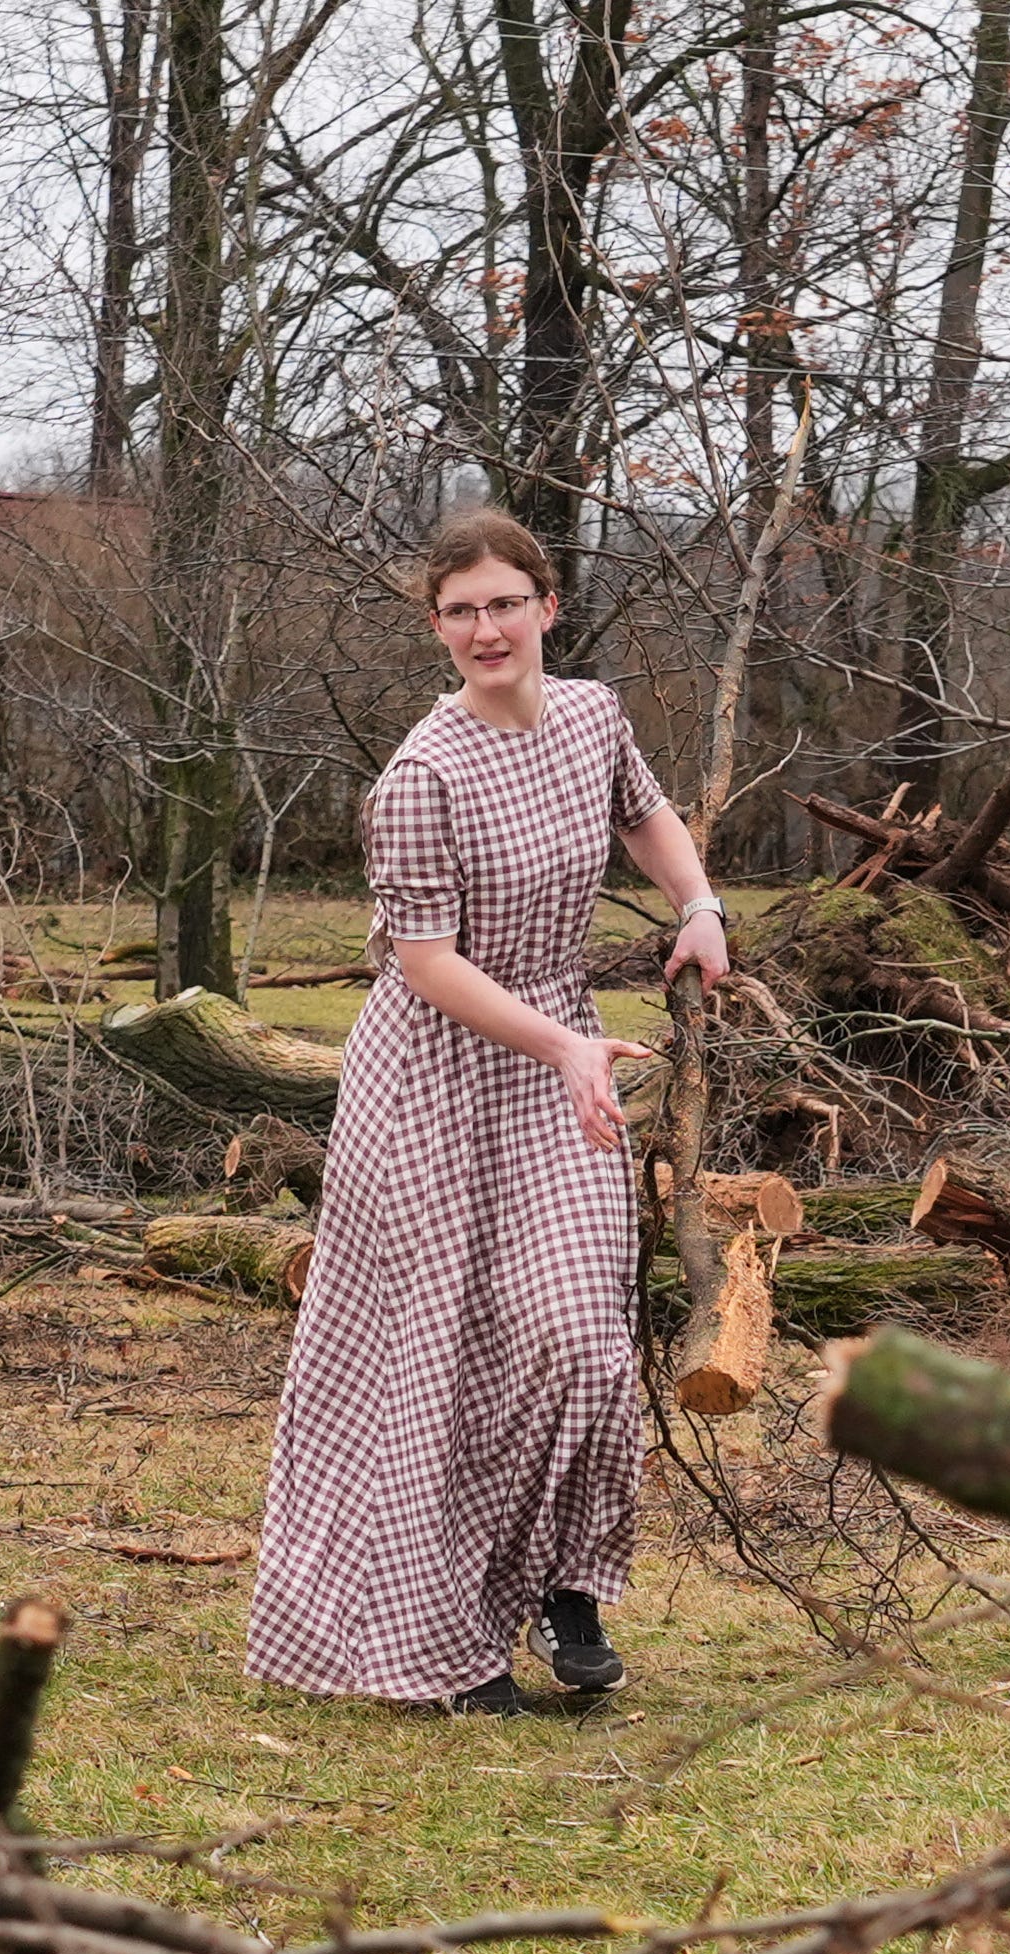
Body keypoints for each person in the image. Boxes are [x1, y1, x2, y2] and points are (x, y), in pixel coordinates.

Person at [246, 508, 731, 1715]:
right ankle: (447, 1650)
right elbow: (425, 964)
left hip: (556, 1057)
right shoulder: (421, 777)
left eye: (504, 603)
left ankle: (562, 1581)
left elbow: (644, 810)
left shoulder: (591, 715)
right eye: (459, 611)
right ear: (436, 628)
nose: (484, 628)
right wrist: (565, 1039)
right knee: (439, 1366)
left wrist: (699, 902)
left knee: (575, 1334)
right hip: (432, 1082)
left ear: (547, 607)